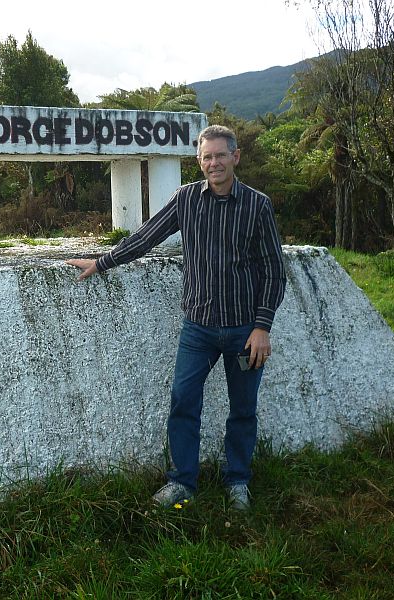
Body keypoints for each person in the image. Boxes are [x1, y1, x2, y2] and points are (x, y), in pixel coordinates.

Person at [67, 124, 286, 511]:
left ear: (235, 157)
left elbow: (273, 271)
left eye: (220, 155)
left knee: (243, 410)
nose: (213, 163)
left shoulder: (258, 205)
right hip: (198, 328)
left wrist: (262, 327)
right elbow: (147, 236)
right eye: (206, 157)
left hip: (243, 331)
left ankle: (237, 483)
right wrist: (102, 263)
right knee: (183, 402)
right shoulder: (186, 199)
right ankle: (182, 482)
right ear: (198, 161)